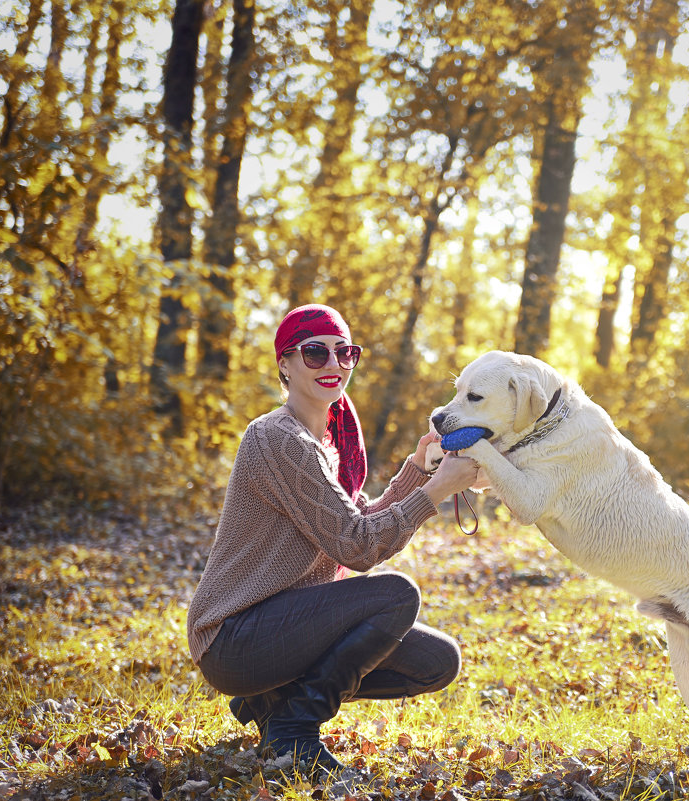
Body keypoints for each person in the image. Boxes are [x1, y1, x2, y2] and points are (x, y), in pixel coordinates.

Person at [186, 303, 478, 775]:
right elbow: (357, 547)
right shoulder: (277, 438)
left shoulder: (325, 440)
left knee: (436, 661)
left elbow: (353, 521)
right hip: (232, 637)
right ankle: (293, 728)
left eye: (345, 353)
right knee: (396, 595)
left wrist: (420, 469)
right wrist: (437, 489)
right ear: (285, 363)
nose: (334, 364)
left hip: (282, 628)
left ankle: (272, 702)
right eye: (315, 353)